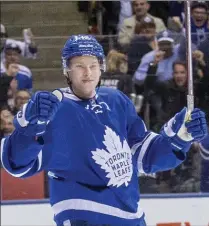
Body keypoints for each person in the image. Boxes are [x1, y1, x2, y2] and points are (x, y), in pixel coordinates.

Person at [1, 35, 208, 226]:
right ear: (67, 70)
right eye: (79, 66)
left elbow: (144, 157)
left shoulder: (115, 100)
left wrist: (180, 137)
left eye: (93, 65)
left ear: (101, 67)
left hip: (131, 216)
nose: (88, 72)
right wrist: (29, 129)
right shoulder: (51, 106)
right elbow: (16, 163)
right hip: (83, 215)